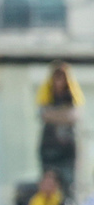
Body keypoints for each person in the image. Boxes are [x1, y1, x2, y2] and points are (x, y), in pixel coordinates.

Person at [37, 63, 82, 195]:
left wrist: (54, 114)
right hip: (49, 148)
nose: (59, 83)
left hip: (67, 150)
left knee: (68, 187)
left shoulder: (71, 98)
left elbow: (74, 115)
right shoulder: (47, 97)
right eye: (56, 78)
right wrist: (63, 114)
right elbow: (43, 114)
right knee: (48, 185)